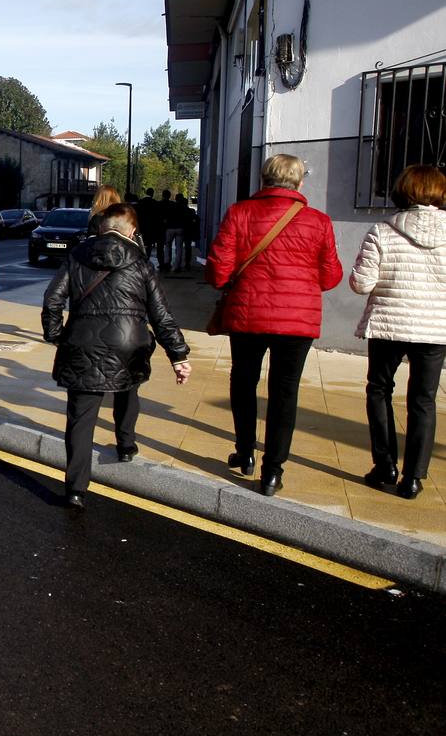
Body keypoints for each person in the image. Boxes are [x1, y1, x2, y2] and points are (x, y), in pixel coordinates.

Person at [206, 154, 342, 496]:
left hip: (248, 314)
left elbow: (219, 270)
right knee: (285, 392)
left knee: (244, 381)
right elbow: (330, 276)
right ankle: (272, 472)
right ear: (299, 182)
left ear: (264, 179)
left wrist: (232, 282)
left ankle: (245, 451)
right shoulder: (318, 221)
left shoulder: (240, 213)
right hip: (297, 320)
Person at [42, 203, 191, 509]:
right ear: (132, 231)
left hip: (82, 343)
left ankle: (75, 489)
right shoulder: (141, 262)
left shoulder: (77, 255)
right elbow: (161, 314)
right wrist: (178, 355)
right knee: (127, 390)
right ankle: (125, 445)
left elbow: (53, 300)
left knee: (81, 419)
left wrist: (57, 335)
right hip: (128, 344)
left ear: (101, 227)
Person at [349, 164, 446, 501]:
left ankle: (385, 465)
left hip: (389, 324)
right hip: (434, 328)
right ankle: (413, 478)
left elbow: (362, 285)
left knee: (379, 390)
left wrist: (358, 270)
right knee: (424, 400)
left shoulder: (382, 230)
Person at [135, 188, 161, 270]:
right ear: (152, 194)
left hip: (141, 226)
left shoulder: (140, 202)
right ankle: (147, 259)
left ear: (146, 192)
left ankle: (141, 260)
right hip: (151, 227)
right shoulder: (155, 203)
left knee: (141, 243)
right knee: (149, 245)